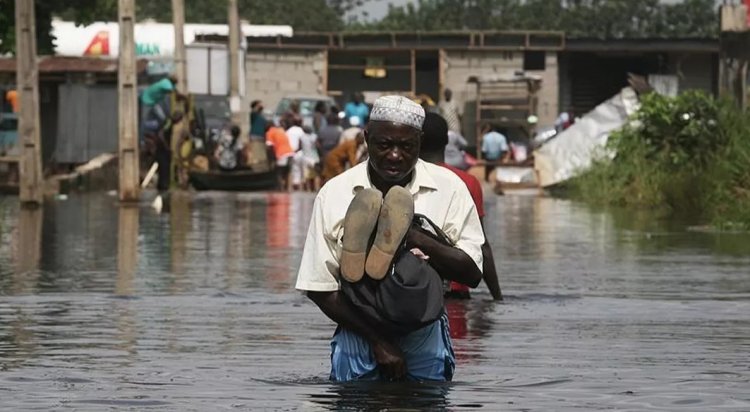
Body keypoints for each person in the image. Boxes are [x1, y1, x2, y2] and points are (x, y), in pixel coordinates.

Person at [296, 95, 485, 382]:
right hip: (360, 328)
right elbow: (318, 287)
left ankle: (403, 237)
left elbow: (471, 274)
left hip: (423, 326)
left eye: (406, 146)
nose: (395, 155)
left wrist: (415, 237)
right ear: (367, 138)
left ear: (420, 143)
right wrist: (378, 342)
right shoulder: (335, 193)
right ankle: (369, 253)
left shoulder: (450, 188)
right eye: (384, 145)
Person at [420, 112, 502, 301]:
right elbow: (482, 244)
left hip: (412, 290)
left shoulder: (402, 178)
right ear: (447, 141)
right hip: (456, 293)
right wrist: (497, 297)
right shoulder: (467, 182)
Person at [265, 123, 294, 190]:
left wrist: (271, 159)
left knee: (278, 172)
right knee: (288, 171)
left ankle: (281, 189)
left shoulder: (269, 132)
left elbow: (269, 147)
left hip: (281, 153)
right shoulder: (281, 130)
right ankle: (289, 188)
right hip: (290, 152)